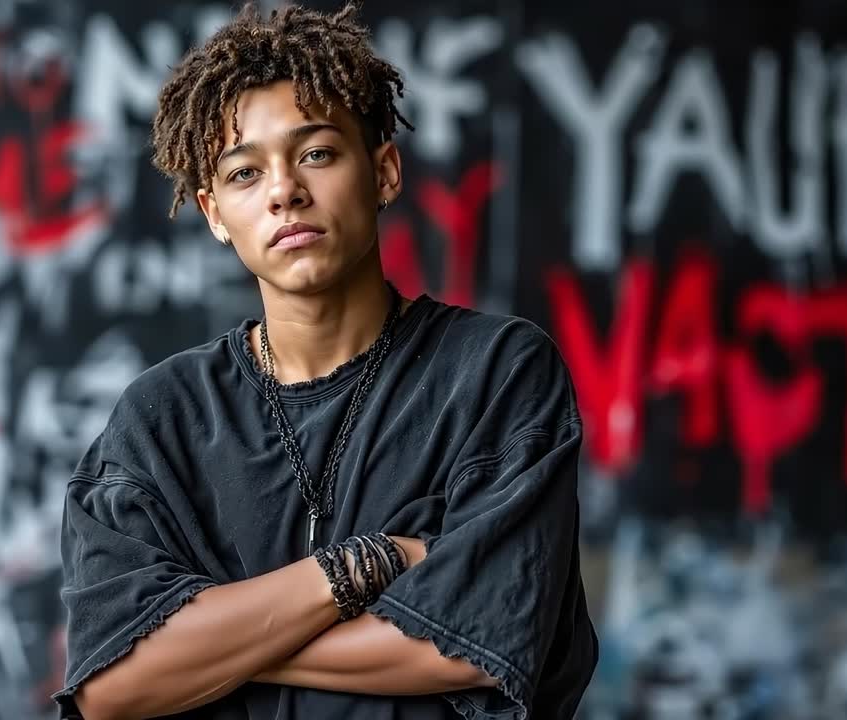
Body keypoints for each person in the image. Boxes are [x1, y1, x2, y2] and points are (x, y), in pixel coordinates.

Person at [54, 3, 598, 718]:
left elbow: (477, 643)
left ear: (384, 172)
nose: (284, 191)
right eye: (245, 174)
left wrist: (206, 649)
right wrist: (357, 570)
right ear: (215, 214)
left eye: (316, 153)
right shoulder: (162, 419)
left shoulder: (494, 374)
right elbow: (107, 685)